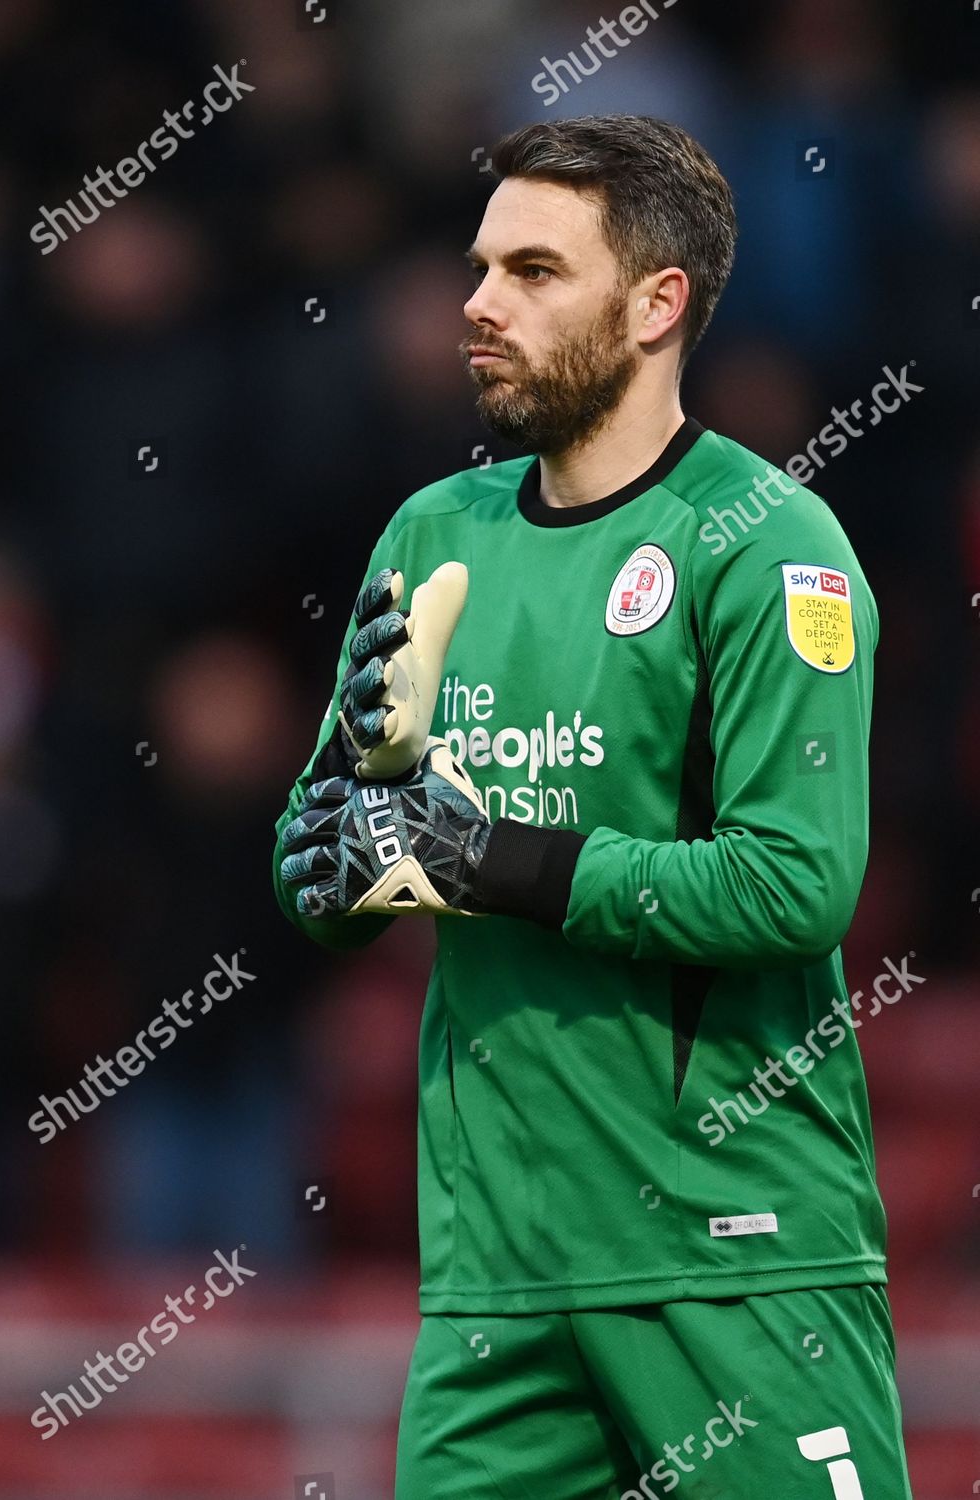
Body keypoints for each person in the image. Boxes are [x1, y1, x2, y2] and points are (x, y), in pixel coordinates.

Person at [273, 114, 911, 1500]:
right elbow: (320, 854)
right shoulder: (431, 533)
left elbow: (797, 887)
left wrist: (491, 855)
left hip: (735, 1268)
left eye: (533, 271)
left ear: (656, 304)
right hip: (494, 1285)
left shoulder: (769, 543)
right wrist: (337, 846)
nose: (478, 304)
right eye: (480, 266)